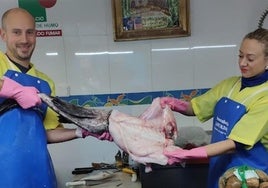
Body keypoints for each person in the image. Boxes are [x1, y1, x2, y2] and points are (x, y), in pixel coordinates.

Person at [0, 7, 112, 188]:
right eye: (16, 32)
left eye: (30, 32)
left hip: (40, 172)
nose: (24, 40)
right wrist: (15, 91)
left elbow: (48, 133)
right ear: (3, 35)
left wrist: (82, 132)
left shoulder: (45, 83)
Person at [159, 28, 268, 188]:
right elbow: (195, 108)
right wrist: (173, 103)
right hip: (219, 170)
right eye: (240, 55)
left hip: (250, 177)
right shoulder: (230, 85)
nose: (242, 63)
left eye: (250, 58)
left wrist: (186, 154)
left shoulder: (265, 96)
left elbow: (234, 144)